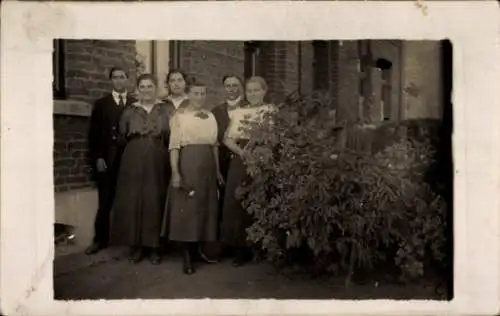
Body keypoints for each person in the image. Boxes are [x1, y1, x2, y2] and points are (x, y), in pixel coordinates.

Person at [109, 74, 174, 265]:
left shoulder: (165, 109)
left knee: (154, 199)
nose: (146, 90)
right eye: (143, 86)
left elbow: (172, 134)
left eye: (150, 86)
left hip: (157, 156)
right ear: (138, 89)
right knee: (134, 199)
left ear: (156, 88)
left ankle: (154, 247)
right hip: (133, 156)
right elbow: (122, 135)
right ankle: (136, 246)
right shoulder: (130, 110)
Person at [166, 81, 223, 275]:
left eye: (203, 93)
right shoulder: (179, 117)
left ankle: (199, 250)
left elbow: (214, 145)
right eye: (196, 93)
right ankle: (186, 256)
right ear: (188, 95)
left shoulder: (210, 116)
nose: (200, 97)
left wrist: (217, 171)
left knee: (204, 208)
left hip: (207, 164)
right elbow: (174, 147)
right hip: (188, 163)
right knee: (187, 209)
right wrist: (175, 172)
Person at [221, 76, 276, 267]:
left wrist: (259, 151)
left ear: (264, 91)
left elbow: (274, 138)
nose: (253, 94)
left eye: (257, 90)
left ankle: (260, 246)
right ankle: (240, 248)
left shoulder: (270, 111)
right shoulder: (238, 112)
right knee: (237, 201)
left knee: (259, 198)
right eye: (250, 91)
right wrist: (241, 152)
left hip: (261, 157)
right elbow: (226, 139)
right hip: (241, 157)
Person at [86, 67, 135, 255]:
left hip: (129, 159)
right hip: (107, 160)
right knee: (105, 201)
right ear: (111, 81)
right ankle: (100, 240)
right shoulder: (101, 104)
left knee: (130, 200)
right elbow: (94, 134)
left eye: (122, 77)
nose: (119, 81)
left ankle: (130, 241)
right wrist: (98, 156)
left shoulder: (134, 104)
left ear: (127, 80)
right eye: (115, 77)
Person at [208, 75, 245, 261]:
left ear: (241, 87)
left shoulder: (248, 108)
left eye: (235, 85)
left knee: (240, 202)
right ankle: (226, 244)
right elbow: (214, 139)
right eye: (228, 86)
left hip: (242, 159)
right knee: (224, 202)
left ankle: (241, 248)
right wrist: (216, 169)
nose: (231, 89)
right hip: (223, 161)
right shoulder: (216, 111)